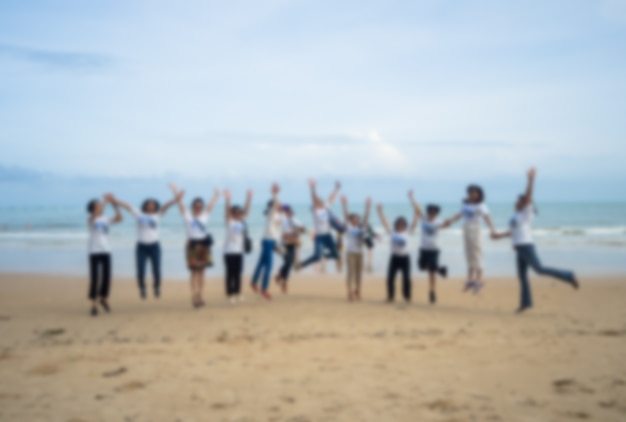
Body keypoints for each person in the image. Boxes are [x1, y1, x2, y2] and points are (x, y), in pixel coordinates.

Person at [491, 168, 579, 313]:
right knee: (522, 276)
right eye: (517, 200)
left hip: (526, 247)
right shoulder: (515, 216)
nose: (517, 202)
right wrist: (498, 236)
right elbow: (512, 232)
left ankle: (569, 276)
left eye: (520, 200)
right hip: (519, 250)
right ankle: (525, 303)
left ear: (525, 203)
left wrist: (530, 180)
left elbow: (529, 196)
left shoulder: (527, 212)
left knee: (539, 269)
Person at [112, 191, 181, 299]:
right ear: (145, 206)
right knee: (140, 270)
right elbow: (128, 206)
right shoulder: (139, 214)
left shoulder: (158, 215)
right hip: (141, 247)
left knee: (157, 270)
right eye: (148, 205)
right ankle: (142, 288)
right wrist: (115, 200)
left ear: (155, 207)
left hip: (154, 246)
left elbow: (165, 206)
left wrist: (175, 199)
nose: (150, 207)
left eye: (153, 205)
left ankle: (156, 286)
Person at [169, 184, 220, 308]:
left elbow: (210, 206)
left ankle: (200, 295)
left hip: (203, 245)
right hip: (192, 245)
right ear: (192, 207)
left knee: (202, 272)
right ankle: (194, 295)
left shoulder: (204, 216)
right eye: (196, 206)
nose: (198, 208)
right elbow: (180, 203)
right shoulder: (187, 216)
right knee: (193, 273)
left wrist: (216, 195)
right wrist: (175, 190)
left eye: (200, 206)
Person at [445, 184, 496, 294]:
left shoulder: (481, 205)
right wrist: (450, 220)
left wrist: (492, 229)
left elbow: (487, 217)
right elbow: (459, 215)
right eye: (470, 192)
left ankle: (479, 280)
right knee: (469, 254)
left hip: (475, 229)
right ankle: (470, 279)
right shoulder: (466, 204)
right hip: (466, 229)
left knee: (477, 253)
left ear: (479, 195)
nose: (472, 194)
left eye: (474, 193)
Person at [377, 191, 421, 303]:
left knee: (406, 278)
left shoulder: (407, 231)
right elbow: (384, 222)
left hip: (405, 258)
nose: (400, 225)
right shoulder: (392, 231)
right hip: (394, 257)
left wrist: (413, 204)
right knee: (390, 278)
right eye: (398, 223)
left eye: (402, 223)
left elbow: (415, 220)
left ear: (405, 224)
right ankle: (390, 297)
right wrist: (380, 211)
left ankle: (407, 297)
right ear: (396, 224)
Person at [86, 194, 123, 316]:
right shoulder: (91, 219)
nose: (100, 207)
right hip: (94, 252)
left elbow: (119, 218)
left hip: (106, 251)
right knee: (95, 278)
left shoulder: (106, 219)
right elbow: (94, 215)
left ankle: (104, 298)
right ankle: (94, 303)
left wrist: (114, 205)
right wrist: (104, 202)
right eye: (97, 206)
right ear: (92, 208)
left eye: (100, 206)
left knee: (107, 277)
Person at [297, 179, 341, 270]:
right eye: (318, 201)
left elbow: (331, 198)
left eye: (320, 200)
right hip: (320, 237)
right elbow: (313, 197)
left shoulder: (325, 207)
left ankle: (324, 255)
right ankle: (301, 265)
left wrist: (336, 189)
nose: (320, 201)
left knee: (336, 255)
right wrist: (312, 187)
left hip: (328, 236)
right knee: (317, 256)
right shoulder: (315, 211)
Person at [251, 183, 282, 301]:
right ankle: (264, 288)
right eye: (277, 204)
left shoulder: (278, 215)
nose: (280, 205)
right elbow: (275, 202)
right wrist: (275, 193)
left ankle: (254, 282)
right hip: (267, 241)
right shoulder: (272, 212)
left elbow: (278, 230)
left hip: (271, 241)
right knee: (268, 266)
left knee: (262, 263)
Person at [223, 189, 253, 304]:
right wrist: (228, 199)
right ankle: (230, 294)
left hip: (239, 252)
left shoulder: (241, 222)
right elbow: (227, 211)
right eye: (235, 212)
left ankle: (238, 292)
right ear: (232, 213)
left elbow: (247, 210)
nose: (237, 214)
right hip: (229, 252)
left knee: (238, 273)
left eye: (239, 212)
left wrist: (249, 197)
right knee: (230, 273)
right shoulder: (230, 221)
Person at [340, 195, 372, 301]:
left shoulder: (361, 227)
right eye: (353, 219)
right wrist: (344, 204)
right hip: (350, 252)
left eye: (357, 219)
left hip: (359, 253)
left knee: (359, 273)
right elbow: (345, 215)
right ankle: (349, 292)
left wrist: (367, 206)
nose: (355, 220)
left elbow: (366, 217)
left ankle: (358, 291)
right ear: (351, 220)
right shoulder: (349, 226)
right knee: (350, 272)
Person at [418, 204, 450, 304]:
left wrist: (448, 223)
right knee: (422, 267)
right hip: (423, 249)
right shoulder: (423, 219)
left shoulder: (438, 221)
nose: (431, 214)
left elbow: (445, 225)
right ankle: (440, 269)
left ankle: (432, 291)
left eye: (434, 212)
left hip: (434, 249)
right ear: (427, 212)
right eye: (430, 212)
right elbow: (417, 208)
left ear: (436, 213)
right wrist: (411, 198)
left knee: (431, 272)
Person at [275, 205, 306, 293]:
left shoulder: (295, 220)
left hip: (292, 244)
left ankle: (282, 277)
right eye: (286, 211)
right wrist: (289, 236)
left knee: (288, 262)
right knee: (288, 261)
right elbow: (281, 233)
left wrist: (301, 229)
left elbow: (303, 230)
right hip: (282, 244)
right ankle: (282, 278)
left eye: (289, 210)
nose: (288, 212)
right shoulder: (282, 219)